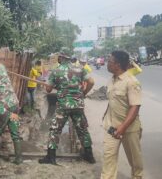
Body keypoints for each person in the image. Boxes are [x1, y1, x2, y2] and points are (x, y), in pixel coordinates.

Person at [38, 53, 96, 165]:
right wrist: (83, 93)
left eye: (58, 57)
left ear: (60, 58)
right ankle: (89, 156)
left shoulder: (56, 71)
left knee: (55, 130)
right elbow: (91, 82)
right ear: (69, 59)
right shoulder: (79, 69)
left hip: (63, 105)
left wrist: (49, 84)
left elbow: (49, 89)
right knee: (82, 129)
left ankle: (51, 157)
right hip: (78, 105)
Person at [101, 50, 143, 179]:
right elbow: (113, 100)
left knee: (135, 162)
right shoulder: (111, 80)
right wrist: (106, 115)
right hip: (111, 127)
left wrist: (122, 128)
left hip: (129, 129)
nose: (107, 64)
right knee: (108, 158)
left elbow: (135, 107)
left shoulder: (131, 82)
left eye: (109, 61)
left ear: (117, 64)